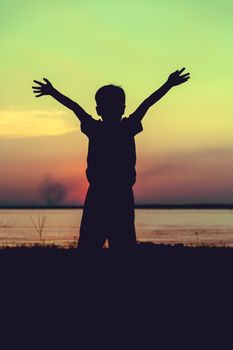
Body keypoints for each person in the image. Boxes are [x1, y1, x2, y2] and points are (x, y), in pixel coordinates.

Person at [32, 68, 190, 250]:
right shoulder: (125, 127)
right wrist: (168, 84)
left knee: (107, 247)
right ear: (121, 108)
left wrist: (53, 92)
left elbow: (75, 107)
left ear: (99, 110)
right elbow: (147, 103)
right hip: (113, 196)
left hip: (106, 196)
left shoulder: (99, 128)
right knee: (108, 247)